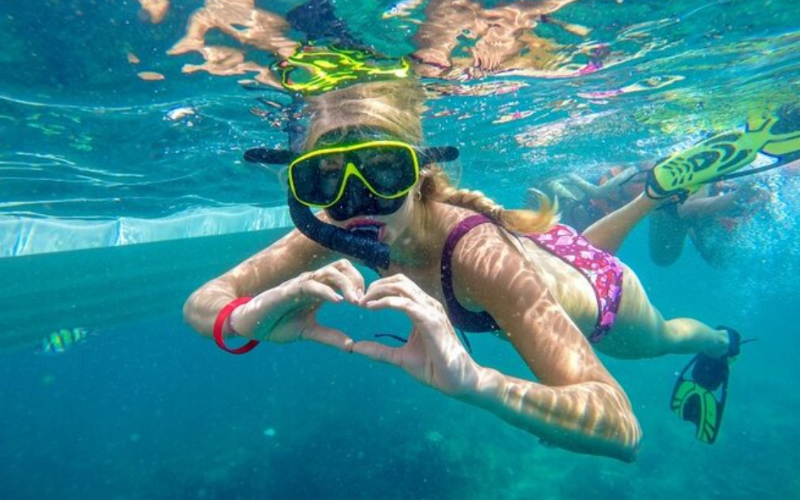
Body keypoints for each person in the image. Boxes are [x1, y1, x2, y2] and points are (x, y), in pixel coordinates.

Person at [182, 78, 768, 461]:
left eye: (383, 173)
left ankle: (723, 342)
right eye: (325, 179)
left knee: (665, 337)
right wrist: (245, 314)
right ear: (302, 188)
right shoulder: (340, 224)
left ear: (418, 174)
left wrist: (478, 384)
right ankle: (650, 197)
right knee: (582, 247)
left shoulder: (476, 256)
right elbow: (203, 301)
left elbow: (621, 425)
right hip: (551, 250)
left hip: (603, 297)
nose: (356, 201)